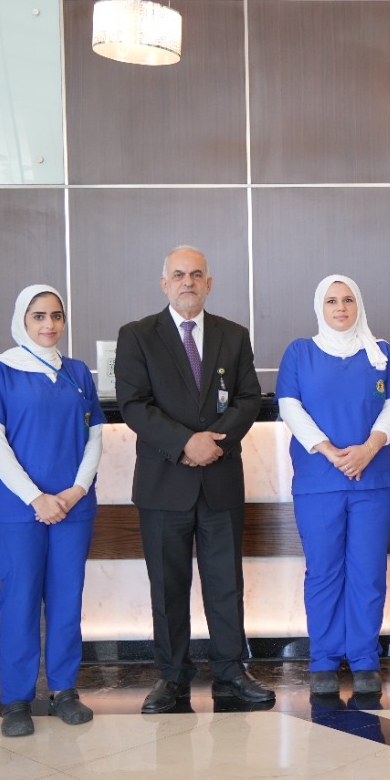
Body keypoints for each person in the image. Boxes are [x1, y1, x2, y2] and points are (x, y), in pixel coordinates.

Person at [115, 246, 271, 712]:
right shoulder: (137, 335)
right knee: (167, 587)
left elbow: (249, 398)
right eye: (179, 275)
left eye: (196, 274)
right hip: (164, 483)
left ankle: (230, 672)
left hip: (220, 481)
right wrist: (185, 443)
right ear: (165, 284)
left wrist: (212, 442)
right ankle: (172, 677)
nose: (188, 282)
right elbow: (133, 404)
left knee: (226, 583)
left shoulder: (233, 335)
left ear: (209, 283)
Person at [0, 285, 104, 737]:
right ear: (21, 320)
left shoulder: (78, 372)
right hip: (16, 512)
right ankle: (17, 700)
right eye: (39, 316)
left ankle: (64, 691)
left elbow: (95, 437)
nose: (49, 324)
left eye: (56, 316)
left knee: (67, 601)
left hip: (72, 509)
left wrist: (77, 490)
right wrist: (36, 498)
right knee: (20, 602)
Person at [276, 275, 390, 696]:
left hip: (373, 480)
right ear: (320, 307)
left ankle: (365, 658)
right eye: (332, 301)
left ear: (358, 304)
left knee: (368, 571)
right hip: (319, 481)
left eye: (348, 299)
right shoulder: (300, 352)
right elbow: (290, 407)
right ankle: (324, 660)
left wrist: (368, 449)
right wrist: (330, 452)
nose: (341, 308)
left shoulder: (381, 352)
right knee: (324, 572)